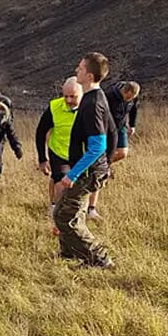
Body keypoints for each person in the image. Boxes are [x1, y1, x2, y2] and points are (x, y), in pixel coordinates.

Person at [52, 52, 116, 269]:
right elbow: (113, 131)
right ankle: (69, 252)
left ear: (89, 75)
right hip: (90, 169)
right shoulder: (94, 98)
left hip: (86, 172)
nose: (76, 70)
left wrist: (73, 174)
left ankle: (99, 259)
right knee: (65, 209)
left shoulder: (93, 103)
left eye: (79, 68)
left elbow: (98, 145)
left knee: (65, 217)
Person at [87, 80, 141, 219]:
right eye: (128, 97)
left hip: (121, 126)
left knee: (123, 152)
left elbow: (134, 108)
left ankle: (106, 165)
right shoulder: (109, 95)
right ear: (125, 91)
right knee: (97, 169)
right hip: (106, 129)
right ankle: (90, 207)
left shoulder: (133, 97)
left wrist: (132, 124)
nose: (130, 100)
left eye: (132, 99)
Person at [35, 77, 82, 216]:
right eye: (65, 96)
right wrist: (42, 159)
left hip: (82, 155)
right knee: (62, 183)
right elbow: (40, 132)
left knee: (79, 187)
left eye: (72, 96)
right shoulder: (54, 106)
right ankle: (59, 215)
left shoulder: (91, 106)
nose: (68, 100)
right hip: (59, 152)